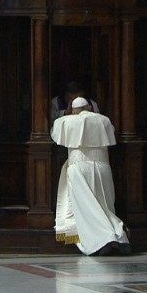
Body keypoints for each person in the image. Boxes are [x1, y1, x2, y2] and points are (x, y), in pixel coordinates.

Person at [51, 97, 130, 256]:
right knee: (105, 206)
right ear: (89, 107)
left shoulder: (65, 121)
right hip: (102, 167)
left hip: (79, 168)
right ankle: (120, 237)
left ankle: (104, 240)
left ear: (73, 110)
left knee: (88, 208)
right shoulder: (104, 120)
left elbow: (54, 133)